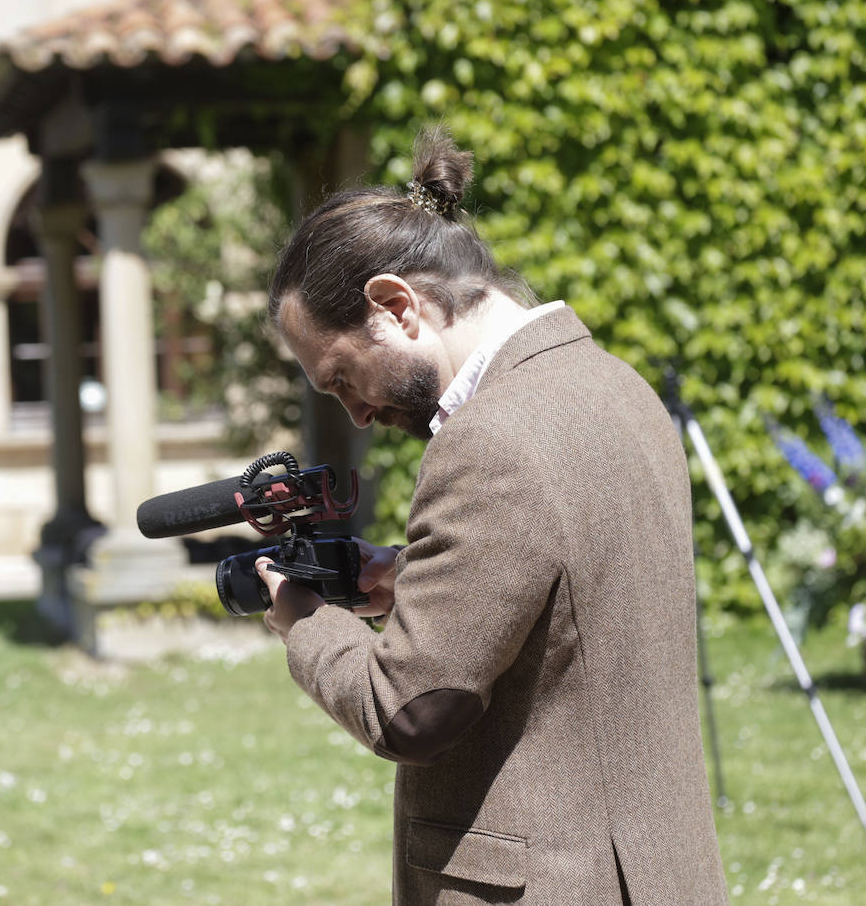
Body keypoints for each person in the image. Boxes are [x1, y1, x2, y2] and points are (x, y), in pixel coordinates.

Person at [254, 125, 727, 905]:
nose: (357, 414)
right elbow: (584, 597)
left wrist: (299, 617)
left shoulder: (488, 439)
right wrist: (417, 582)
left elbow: (409, 709)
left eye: (340, 377)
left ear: (395, 306)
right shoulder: (617, 386)